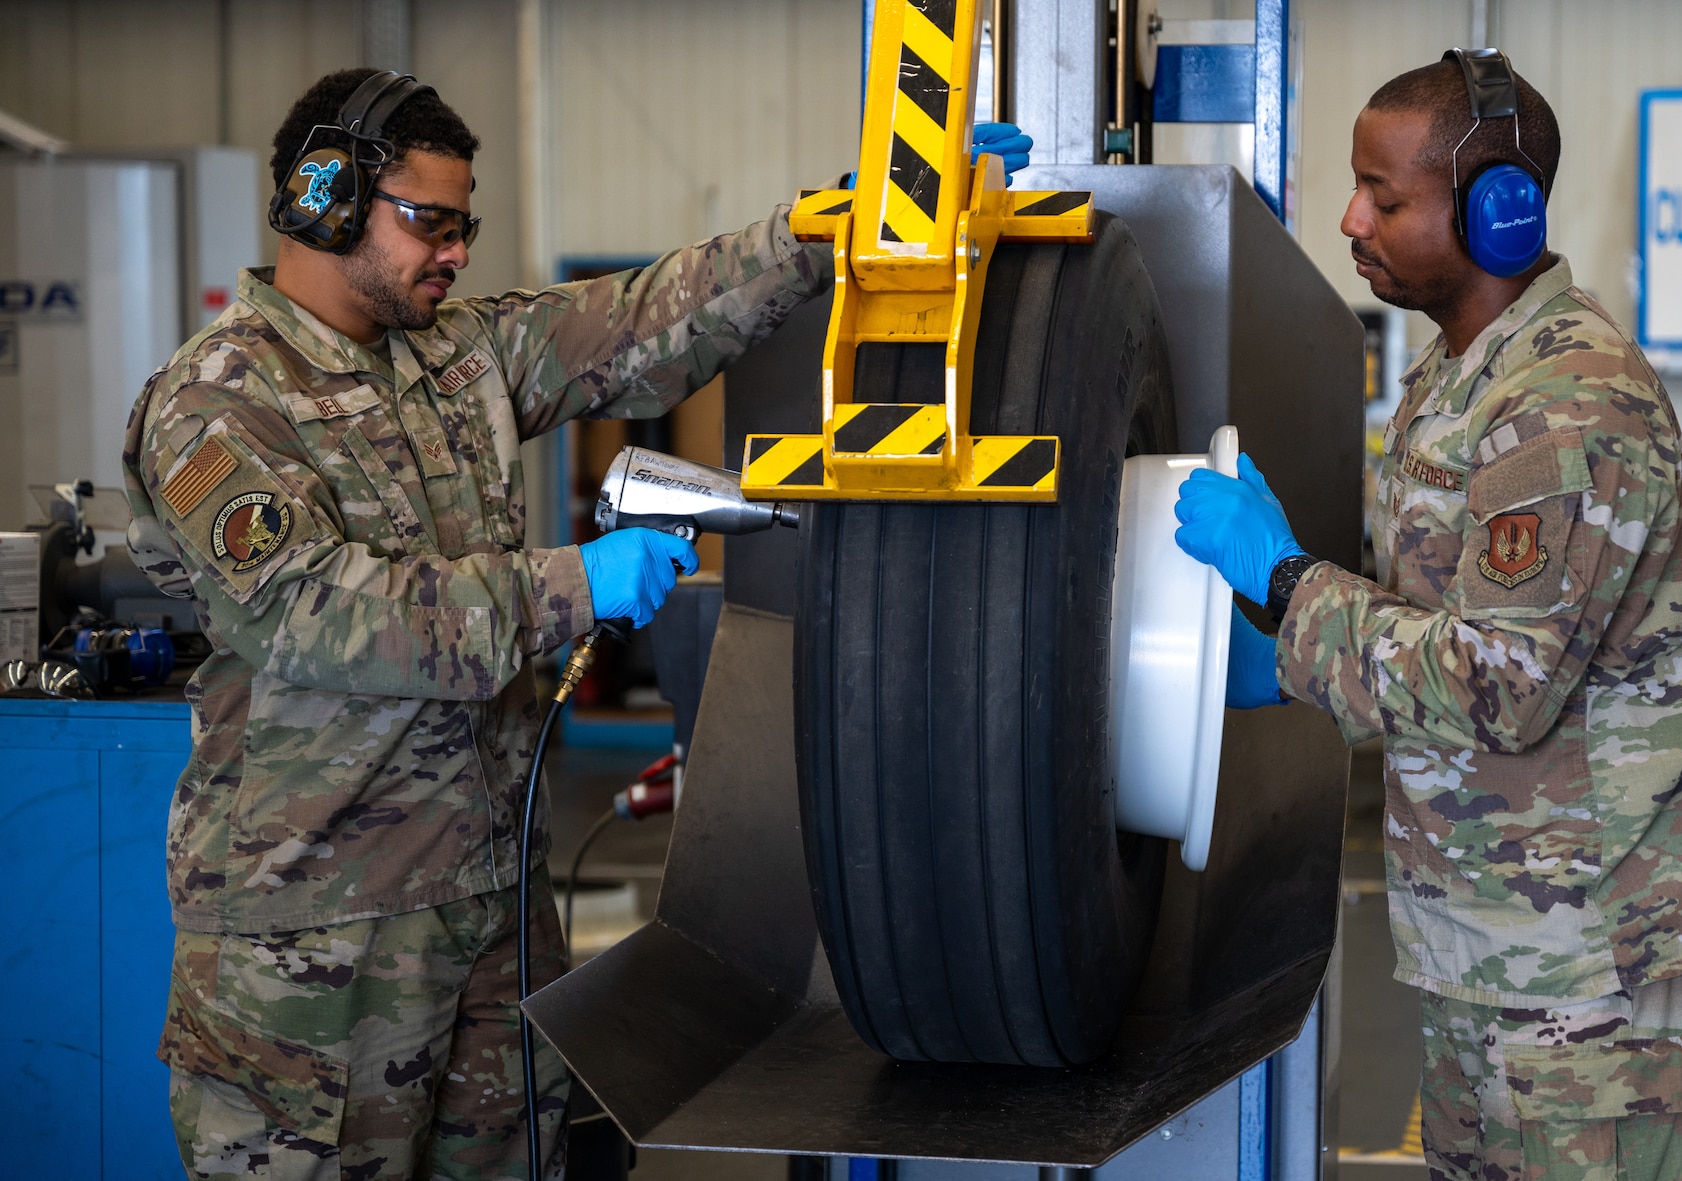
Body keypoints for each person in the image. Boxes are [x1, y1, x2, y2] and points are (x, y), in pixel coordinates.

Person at [121, 68, 1031, 1181]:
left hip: (491, 908)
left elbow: (642, 322)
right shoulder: (219, 399)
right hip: (317, 943)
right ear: (325, 198)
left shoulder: (454, 358)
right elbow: (320, 615)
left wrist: (814, 230)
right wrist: (574, 585)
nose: (454, 253)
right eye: (431, 223)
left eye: (467, 227)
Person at [1175, 51, 1682, 1181]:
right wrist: (1287, 658)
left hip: (1595, 980)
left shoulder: (1560, 403)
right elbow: (1431, 626)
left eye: (1385, 198)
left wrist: (1286, 580)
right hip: (1492, 948)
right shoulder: (1458, 381)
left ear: (1499, 209)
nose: (1349, 217)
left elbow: (1497, 682)